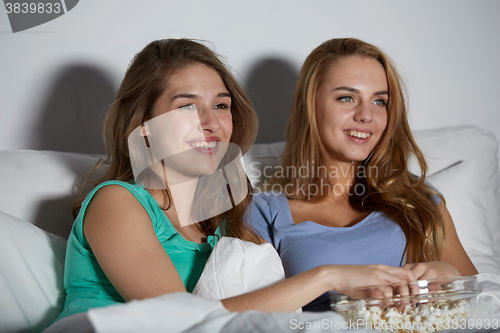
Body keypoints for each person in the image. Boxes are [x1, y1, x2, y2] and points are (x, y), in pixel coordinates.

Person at [44, 38, 424, 332]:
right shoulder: (117, 202)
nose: (210, 122)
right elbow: (179, 320)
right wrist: (329, 275)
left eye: (221, 105)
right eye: (187, 106)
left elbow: (261, 309)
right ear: (144, 125)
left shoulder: (228, 219)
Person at [248, 38, 478, 312]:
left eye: (379, 101)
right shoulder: (264, 210)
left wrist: (449, 272)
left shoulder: (419, 200)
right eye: (347, 97)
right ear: (312, 106)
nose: (366, 115)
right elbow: (241, 317)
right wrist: (327, 278)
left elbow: (482, 303)